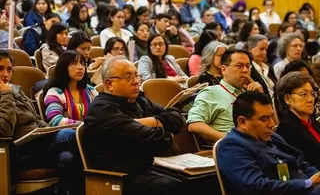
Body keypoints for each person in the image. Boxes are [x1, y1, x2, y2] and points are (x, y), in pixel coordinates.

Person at [83, 56, 184, 195]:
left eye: (137, 75)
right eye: (128, 77)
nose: (136, 81)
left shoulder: (140, 101)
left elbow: (177, 118)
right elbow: (158, 139)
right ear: (109, 84)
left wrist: (149, 121)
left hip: (151, 167)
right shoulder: (101, 109)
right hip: (120, 177)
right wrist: (166, 131)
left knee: (204, 177)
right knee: (172, 186)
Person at [0, 50, 83, 195]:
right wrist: (6, 95)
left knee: (67, 158)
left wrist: (45, 130)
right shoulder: (7, 92)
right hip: (17, 151)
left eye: (9, 69)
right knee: (71, 134)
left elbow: (35, 118)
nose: (6, 74)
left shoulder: (15, 90)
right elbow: (4, 130)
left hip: (38, 143)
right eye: (0, 69)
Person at [218, 91, 320, 195]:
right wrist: (308, 183)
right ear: (242, 122)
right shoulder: (231, 147)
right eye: (264, 119)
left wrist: (317, 177)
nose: (272, 124)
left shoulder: (274, 137)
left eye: (271, 116)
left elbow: (301, 163)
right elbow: (258, 186)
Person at [187, 49, 263, 143]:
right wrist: (230, 140)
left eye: (248, 66)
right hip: (233, 149)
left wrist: (261, 96)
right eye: (239, 66)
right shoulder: (211, 93)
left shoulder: (249, 94)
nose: (245, 70)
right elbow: (194, 125)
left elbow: (273, 125)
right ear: (224, 69)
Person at [275, 72, 320, 170]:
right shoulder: (286, 129)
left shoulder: (313, 122)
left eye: (312, 94)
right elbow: (304, 164)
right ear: (287, 99)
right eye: (304, 94)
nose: (310, 99)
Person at [44, 51, 97, 126]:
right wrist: (83, 126)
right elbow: (55, 120)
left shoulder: (90, 91)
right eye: (74, 63)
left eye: (82, 63)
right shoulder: (55, 93)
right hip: (68, 133)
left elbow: (101, 114)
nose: (80, 67)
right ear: (63, 67)